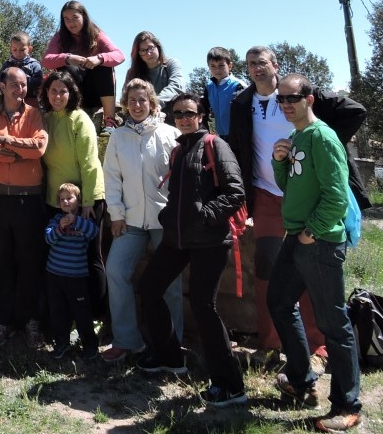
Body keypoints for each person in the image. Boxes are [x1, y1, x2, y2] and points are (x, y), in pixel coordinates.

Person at [138, 91, 248, 407]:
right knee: (149, 287)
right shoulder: (180, 150)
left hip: (211, 242)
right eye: (178, 114)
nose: (184, 118)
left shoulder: (215, 145)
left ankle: (231, 386)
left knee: (203, 306)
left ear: (201, 115)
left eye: (189, 113)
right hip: (179, 239)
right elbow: (178, 196)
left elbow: (235, 193)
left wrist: (204, 217)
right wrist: (169, 217)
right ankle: (170, 357)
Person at [267, 74, 363, 433]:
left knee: (334, 323)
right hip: (297, 238)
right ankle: (300, 379)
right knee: (279, 302)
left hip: (318, 242)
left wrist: (311, 232)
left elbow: (337, 196)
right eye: (282, 99)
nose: (287, 103)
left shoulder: (322, 137)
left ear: (309, 98)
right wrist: (279, 162)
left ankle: (348, 406)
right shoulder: (297, 137)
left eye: (293, 97)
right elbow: (289, 187)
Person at [227, 46, 326, 354]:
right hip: (265, 193)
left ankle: (316, 343)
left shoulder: (294, 95)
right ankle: (270, 342)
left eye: (261, 62)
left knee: (307, 263)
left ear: (275, 65)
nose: (256, 68)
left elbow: (349, 111)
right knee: (267, 264)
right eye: (251, 64)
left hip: (302, 193)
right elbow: (239, 146)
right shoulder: (241, 103)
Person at [102, 79, 182, 364]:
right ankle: (127, 340)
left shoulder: (171, 134)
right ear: (125, 103)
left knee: (170, 283)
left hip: (165, 221)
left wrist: (175, 216)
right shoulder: (118, 137)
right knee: (115, 271)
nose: (137, 105)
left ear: (152, 103)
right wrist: (117, 214)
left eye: (142, 100)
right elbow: (111, 177)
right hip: (130, 220)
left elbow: (179, 179)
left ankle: (174, 345)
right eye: (132, 100)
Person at [0, 66, 48, 349]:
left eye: (24, 85)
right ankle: (3, 320)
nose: (21, 90)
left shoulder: (34, 114)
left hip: (27, 200)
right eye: (15, 85)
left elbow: (39, 148)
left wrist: (8, 142)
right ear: (2, 86)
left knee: (30, 262)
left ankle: (30, 321)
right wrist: (18, 156)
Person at [40, 70, 107, 321]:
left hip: (86, 200)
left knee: (91, 258)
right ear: (46, 93)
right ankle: (64, 319)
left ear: (72, 93)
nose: (58, 96)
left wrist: (88, 203)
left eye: (63, 91)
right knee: (60, 259)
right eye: (53, 90)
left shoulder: (80, 119)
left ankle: (97, 319)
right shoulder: (46, 119)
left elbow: (90, 163)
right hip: (56, 201)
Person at [42, 1, 123, 127]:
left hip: (97, 93)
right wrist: (68, 57)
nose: (71, 23)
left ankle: (109, 120)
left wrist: (99, 58)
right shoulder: (59, 37)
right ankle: (69, 115)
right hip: (74, 93)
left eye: (75, 18)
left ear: (84, 17)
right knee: (69, 68)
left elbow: (119, 55)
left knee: (104, 67)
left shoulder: (97, 35)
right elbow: (46, 60)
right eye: (66, 19)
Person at [45, 183, 100, 360]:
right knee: (58, 312)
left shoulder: (85, 222)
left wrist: (77, 221)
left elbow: (94, 233)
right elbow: (48, 239)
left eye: (70, 198)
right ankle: (61, 343)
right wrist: (60, 227)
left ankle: (90, 346)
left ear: (79, 200)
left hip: (76, 276)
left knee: (82, 313)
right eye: (62, 199)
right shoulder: (55, 220)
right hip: (54, 275)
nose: (66, 202)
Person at [123, 32, 187, 120]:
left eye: (151, 48)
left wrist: (156, 103)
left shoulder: (171, 64)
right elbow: (126, 96)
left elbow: (177, 86)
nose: (148, 53)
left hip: (171, 116)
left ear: (158, 46)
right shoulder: (132, 72)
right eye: (143, 50)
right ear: (138, 54)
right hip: (142, 117)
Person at [204, 47, 247, 138]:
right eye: (213, 66)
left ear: (230, 66)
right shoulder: (209, 87)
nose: (217, 70)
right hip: (217, 136)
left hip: (237, 136)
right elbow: (206, 112)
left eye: (221, 65)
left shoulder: (238, 86)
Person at [0, 32, 44, 100]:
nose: (18, 53)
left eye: (22, 50)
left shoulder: (34, 64)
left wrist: (24, 80)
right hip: (9, 99)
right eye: (14, 50)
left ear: (30, 49)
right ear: (10, 49)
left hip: (29, 99)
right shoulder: (7, 64)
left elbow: (39, 82)